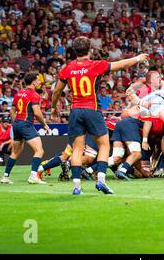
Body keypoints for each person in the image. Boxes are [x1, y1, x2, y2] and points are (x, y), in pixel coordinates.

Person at [51, 36, 149, 195]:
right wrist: (137, 58)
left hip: (75, 111)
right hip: (92, 110)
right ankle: (101, 182)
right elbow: (120, 65)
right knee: (104, 145)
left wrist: (53, 106)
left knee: (77, 149)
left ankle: (76, 187)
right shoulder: (95, 65)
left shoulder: (67, 68)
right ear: (89, 49)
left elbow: (56, 91)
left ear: (75, 50)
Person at [0, 72, 51, 184]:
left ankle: (5, 176)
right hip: (26, 124)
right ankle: (33, 176)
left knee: (16, 152)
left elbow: (12, 111)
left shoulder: (19, 93)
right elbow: (37, 113)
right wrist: (44, 124)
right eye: (38, 80)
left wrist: (16, 122)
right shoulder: (34, 95)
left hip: (17, 124)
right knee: (39, 150)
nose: (39, 82)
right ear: (33, 82)